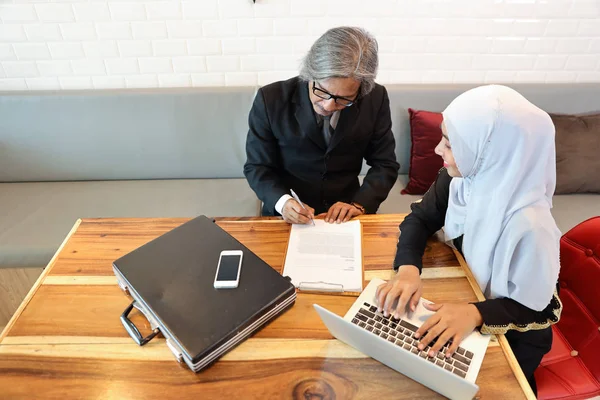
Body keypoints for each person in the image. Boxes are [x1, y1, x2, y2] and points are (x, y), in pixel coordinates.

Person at [375, 85, 562, 396]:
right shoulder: (461, 179)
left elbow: (541, 310)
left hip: (513, 340)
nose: (438, 150)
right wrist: (408, 268)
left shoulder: (532, 227)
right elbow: (419, 219)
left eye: (449, 143)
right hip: (464, 298)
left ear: (490, 151)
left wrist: (476, 313)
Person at [243, 27, 399, 225]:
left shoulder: (374, 98)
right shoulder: (270, 99)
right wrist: (283, 202)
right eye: (321, 91)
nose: (328, 106)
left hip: (347, 212)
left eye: (344, 99)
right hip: (288, 213)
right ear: (309, 73)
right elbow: (257, 166)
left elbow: (385, 164)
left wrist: (360, 204)